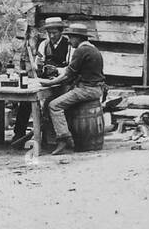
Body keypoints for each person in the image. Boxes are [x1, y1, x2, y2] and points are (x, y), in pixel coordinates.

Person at [43, 22, 105, 155]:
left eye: (71, 38)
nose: (69, 41)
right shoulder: (93, 49)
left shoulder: (80, 51)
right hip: (96, 89)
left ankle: (63, 138)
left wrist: (49, 83)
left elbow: (67, 75)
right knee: (60, 101)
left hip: (87, 90)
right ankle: (61, 137)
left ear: (78, 38)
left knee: (54, 105)